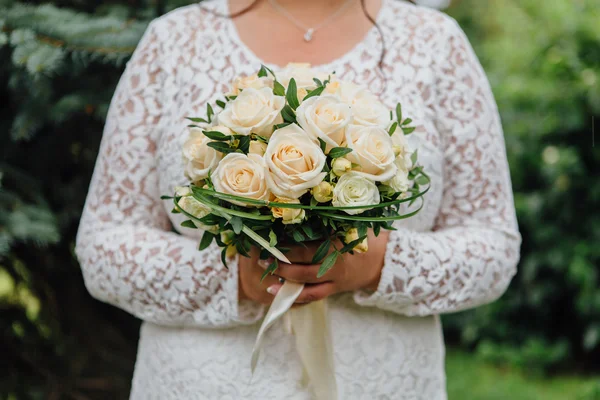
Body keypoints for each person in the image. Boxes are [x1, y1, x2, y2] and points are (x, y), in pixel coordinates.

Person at [75, 0, 521, 398]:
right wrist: (238, 278)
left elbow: (493, 245)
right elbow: (103, 245)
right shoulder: (174, 41)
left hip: (382, 380)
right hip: (201, 381)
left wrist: (374, 265)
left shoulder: (435, 43)